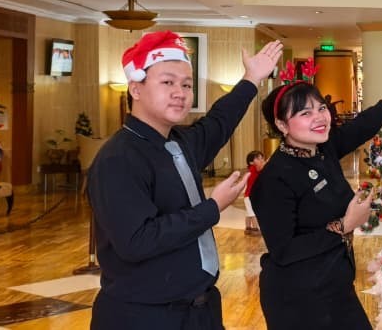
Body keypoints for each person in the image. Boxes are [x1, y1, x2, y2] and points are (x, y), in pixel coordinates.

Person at [87, 31, 283, 330]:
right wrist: (212, 207)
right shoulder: (119, 159)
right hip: (145, 317)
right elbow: (137, 242)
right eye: (167, 82)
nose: (180, 92)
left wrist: (251, 78)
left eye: (186, 84)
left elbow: (220, 120)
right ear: (135, 88)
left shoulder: (179, 142)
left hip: (197, 311)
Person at [250, 62, 382, 330]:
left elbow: (360, 127)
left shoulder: (323, 150)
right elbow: (284, 250)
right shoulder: (274, 180)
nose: (319, 117)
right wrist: (345, 225)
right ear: (281, 124)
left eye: (321, 108)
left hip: (333, 283)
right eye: (305, 113)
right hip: (298, 297)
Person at [244, 150, 266, 236]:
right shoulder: (254, 168)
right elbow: (261, 168)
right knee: (253, 213)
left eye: (261, 158)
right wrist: (267, 162)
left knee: (249, 213)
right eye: (258, 158)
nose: (261, 160)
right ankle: (255, 229)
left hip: (248, 195)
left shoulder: (251, 169)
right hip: (250, 196)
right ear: (251, 162)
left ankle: (248, 228)